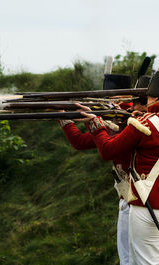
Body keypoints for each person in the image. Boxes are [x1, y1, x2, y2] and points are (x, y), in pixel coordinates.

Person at [81, 71, 159, 264]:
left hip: (149, 201)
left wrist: (96, 124)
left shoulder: (142, 124)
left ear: (154, 97)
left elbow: (108, 151)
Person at [59, 73, 147, 265]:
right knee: (129, 258)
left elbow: (105, 147)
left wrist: (97, 121)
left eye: (111, 98)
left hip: (143, 199)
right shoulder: (114, 122)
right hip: (129, 197)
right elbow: (80, 142)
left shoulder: (131, 123)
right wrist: (65, 117)